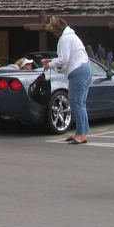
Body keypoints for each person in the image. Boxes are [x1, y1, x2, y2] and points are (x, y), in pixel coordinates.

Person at [42, 16, 92, 144]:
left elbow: (64, 59)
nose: (54, 34)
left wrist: (49, 65)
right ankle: (81, 132)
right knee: (81, 103)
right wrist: (52, 61)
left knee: (76, 103)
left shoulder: (64, 38)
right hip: (85, 68)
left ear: (57, 29)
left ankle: (81, 135)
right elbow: (66, 58)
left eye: (53, 31)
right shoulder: (71, 36)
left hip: (78, 71)